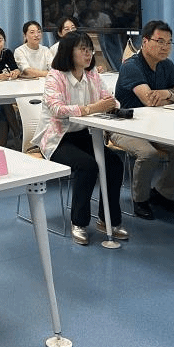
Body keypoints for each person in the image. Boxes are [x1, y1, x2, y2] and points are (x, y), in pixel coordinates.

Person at [31, 30, 125, 245]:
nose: (88, 53)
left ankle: (108, 219)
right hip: (57, 138)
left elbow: (110, 99)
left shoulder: (92, 75)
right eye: (83, 49)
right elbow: (57, 109)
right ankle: (79, 222)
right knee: (88, 166)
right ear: (68, 52)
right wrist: (91, 108)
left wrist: (111, 105)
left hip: (84, 134)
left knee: (114, 164)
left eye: (90, 49)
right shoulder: (55, 76)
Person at [109, 20, 174, 219]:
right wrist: (173, 96)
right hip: (125, 126)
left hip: (155, 126)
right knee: (148, 154)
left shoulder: (166, 65)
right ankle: (140, 200)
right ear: (145, 42)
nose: (165, 47)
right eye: (160, 41)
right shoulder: (131, 66)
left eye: (169, 42)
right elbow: (149, 100)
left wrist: (166, 93)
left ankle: (162, 194)